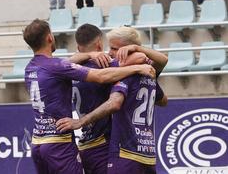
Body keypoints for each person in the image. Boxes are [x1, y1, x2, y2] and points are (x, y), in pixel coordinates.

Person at [23, 19, 155, 174]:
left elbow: (66, 62)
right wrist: (137, 68)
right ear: (49, 38)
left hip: (38, 143)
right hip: (62, 142)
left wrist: (89, 54)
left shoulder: (31, 68)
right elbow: (103, 76)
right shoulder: (61, 67)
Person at [57, 27, 168, 173]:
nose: (109, 53)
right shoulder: (132, 70)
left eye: (114, 48)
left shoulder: (75, 70)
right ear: (99, 44)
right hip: (143, 151)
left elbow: (115, 102)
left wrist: (80, 122)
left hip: (113, 149)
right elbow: (163, 100)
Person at [72, 24, 150, 174]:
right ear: (99, 44)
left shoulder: (68, 68)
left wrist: (87, 55)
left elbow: (64, 61)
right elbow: (140, 58)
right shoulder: (103, 65)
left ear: (77, 46)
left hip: (84, 143)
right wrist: (134, 52)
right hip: (102, 143)